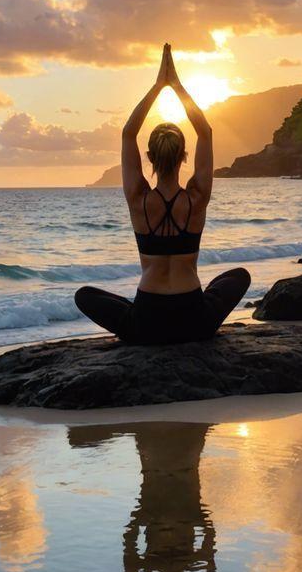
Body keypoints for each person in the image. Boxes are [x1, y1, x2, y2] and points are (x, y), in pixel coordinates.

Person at [75, 43, 250, 345]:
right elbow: (205, 132)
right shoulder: (197, 197)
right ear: (184, 156)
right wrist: (177, 86)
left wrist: (158, 86)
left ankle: (138, 318)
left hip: (147, 322)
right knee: (239, 276)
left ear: (149, 157)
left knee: (84, 296)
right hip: (195, 320)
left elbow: (128, 132)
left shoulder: (138, 198)